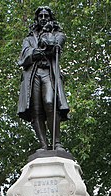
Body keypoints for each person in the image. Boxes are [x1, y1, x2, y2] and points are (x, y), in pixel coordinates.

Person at [17, 6, 69, 151]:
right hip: (33, 74)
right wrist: (38, 53)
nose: (44, 18)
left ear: (51, 18)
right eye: (41, 16)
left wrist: (47, 34)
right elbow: (24, 56)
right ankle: (43, 145)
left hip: (48, 72)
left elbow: (54, 47)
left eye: (47, 16)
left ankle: (56, 142)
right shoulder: (28, 38)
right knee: (36, 109)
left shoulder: (58, 34)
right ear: (37, 18)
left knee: (50, 102)